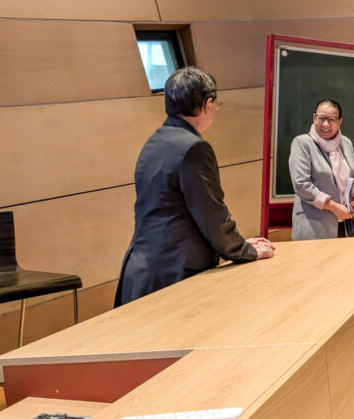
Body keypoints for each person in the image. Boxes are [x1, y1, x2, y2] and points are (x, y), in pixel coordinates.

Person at [114, 67, 273, 307]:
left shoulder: (155, 141)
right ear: (208, 104)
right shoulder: (194, 148)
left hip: (142, 271)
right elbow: (212, 216)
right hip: (175, 276)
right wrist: (245, 250)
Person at [288, 99, 354, 240]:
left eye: (331, 120)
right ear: (314, 118)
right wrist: (334, 207)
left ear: (340, 121)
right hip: (314, 228)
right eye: (321, 118)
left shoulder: (346, 143)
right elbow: (301, 185)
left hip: (346, 225)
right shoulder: (302, 143)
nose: (325, 124)